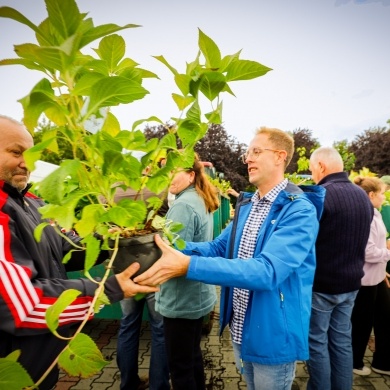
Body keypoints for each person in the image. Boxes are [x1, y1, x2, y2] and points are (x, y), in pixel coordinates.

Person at [135, 127, 326, 390]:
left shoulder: (298, 210)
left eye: (256, 151)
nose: (248, 158)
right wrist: (168, 247)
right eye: (248, 152)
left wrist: (188, 265)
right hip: (241, 329)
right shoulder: (250, 205)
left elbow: (267, 271)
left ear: (280, 157)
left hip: (272, 335)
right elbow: (217, 247)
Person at [0, 115, 158, 390]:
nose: (27, 162)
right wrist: (108, 288)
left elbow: (65, 250)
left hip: (38, 365)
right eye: (16, 152)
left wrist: (113, 241)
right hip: (15, 376)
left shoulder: (32, 203)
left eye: (32, 153)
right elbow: (21, 307)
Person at [306, 147, 374, 390]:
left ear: (322, 166)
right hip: (351, 284)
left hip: (322, 286)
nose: (313, 174)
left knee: (316, 342)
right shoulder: (362, 197)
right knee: (342, 342)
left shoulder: (319, 195)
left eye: (313, 169)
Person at [156, 154, 219, 390]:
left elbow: (170, 256)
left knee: (180, 368)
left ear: (191, 175)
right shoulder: (199, 197)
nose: (168, 177)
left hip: (181, 299)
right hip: (197, 294)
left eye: (174, 171)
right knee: (192, 358)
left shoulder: (182, 205)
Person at [115, 186, 170, 390]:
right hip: (152, 269)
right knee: (159, 329)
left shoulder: (109, 191)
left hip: (124, 271)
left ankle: (128, 383)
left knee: (128, 324)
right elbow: (163, 219)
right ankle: (159, 385)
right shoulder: (155, 189)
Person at [351, 176, 390, 376]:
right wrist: (388, 252)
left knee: (385, 318)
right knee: (362, 322)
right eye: (382, 193)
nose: (384, 197)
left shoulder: (376, 214)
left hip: (377, 276)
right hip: (365, 280)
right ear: (371, 195)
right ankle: (355, 362)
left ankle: (382, 362)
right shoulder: (365, 217)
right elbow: (367, 252)